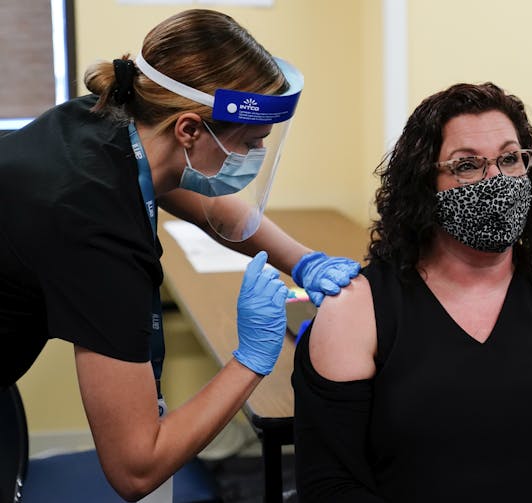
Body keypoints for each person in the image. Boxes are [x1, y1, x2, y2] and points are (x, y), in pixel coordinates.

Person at [0, 9, 359, 501]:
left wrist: (303, 260)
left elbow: (212, 205)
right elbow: (136, 468)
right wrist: (251, 360)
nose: (253, 156)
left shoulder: (112, 120)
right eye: (250, 143)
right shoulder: (96, 229)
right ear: (189, 130)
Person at [292, 82, 532, 502]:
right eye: (467, 165)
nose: (497, 180)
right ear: (423, 182)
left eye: (509, 159)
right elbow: (330, 486)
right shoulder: (360, 308)